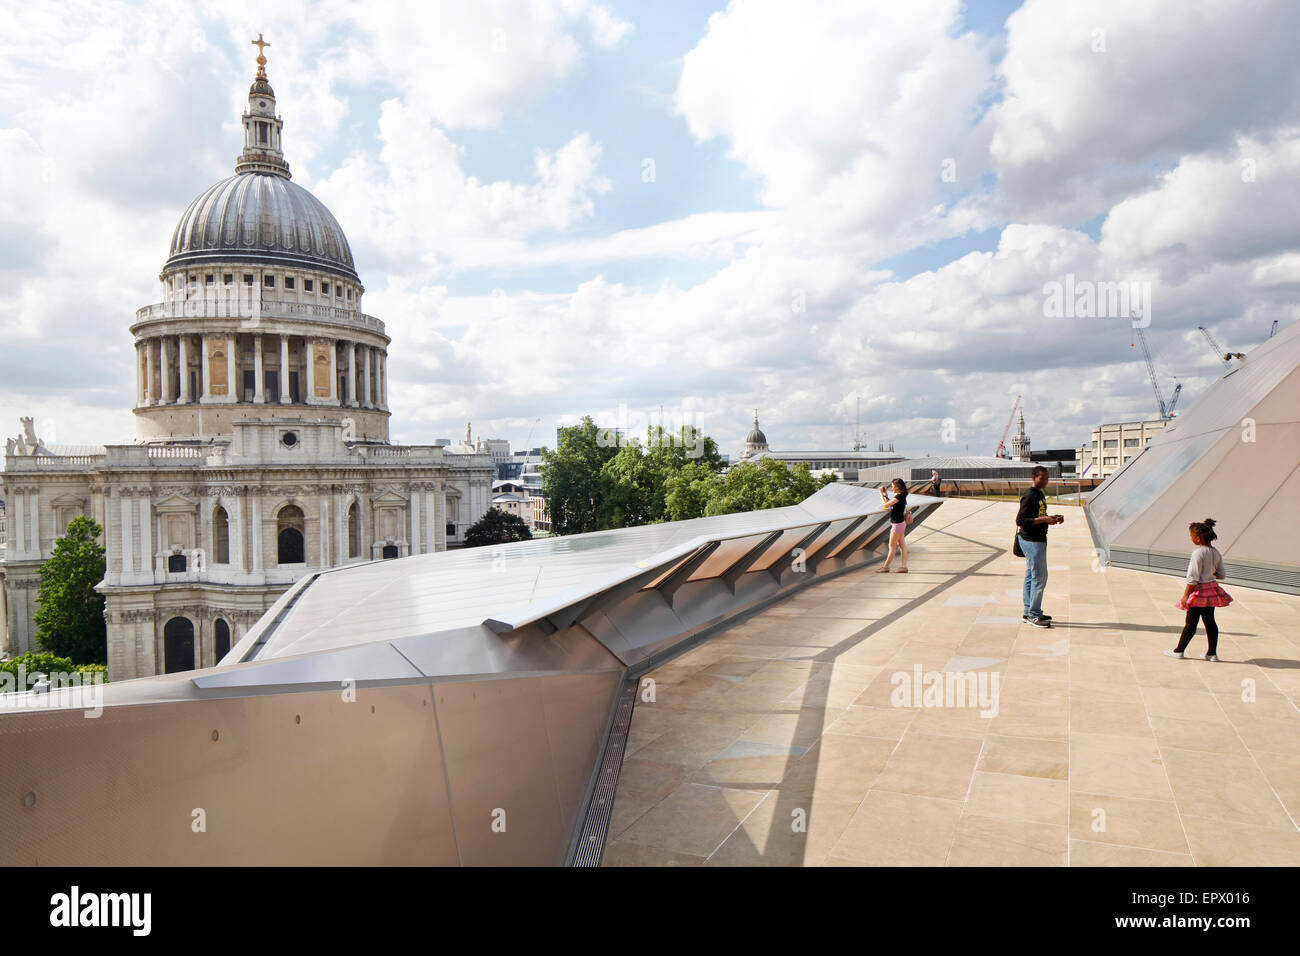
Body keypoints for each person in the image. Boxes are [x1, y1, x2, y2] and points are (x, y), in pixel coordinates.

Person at [1165, 519, 1231, 661]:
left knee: (1191, 623)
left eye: (1191, 536)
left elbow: (1192, 577)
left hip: (1198, 592)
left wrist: (1185, 596)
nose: (1191, 538)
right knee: (1210, 622)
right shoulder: (1216, 552)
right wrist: (1209, 573)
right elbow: (1221, 575)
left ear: (1198, 538)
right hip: (1211, 590)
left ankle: (1179, 651)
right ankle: (1212, 653)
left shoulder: (1198, 553)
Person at [1016, 465, 1064, 627]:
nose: (1045, 481)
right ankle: (1034, 614)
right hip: (1032, 541)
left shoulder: (1039, 494)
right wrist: (1044, 520)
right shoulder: (1030, 495)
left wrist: (1051, 518)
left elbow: (1037, 515)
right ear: (1034, 478)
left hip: (1037, 540)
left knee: (1031, 576)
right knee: (1040, 577)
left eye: (1047, 478)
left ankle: (1028, 612)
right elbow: (1020, 521)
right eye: (1042, 478)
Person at [876, 478, 910, 573]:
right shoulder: (902, 495)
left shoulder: (898, 496)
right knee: (903, 546)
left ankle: (886, 567)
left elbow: (885, 505)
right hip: (901, 523)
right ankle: (904, 567)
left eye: (892, 486)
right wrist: (885, 495)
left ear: (897, 487)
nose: (892, 488)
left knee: (892, 547)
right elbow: (891, 503)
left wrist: (881, 494)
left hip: (897, 525)